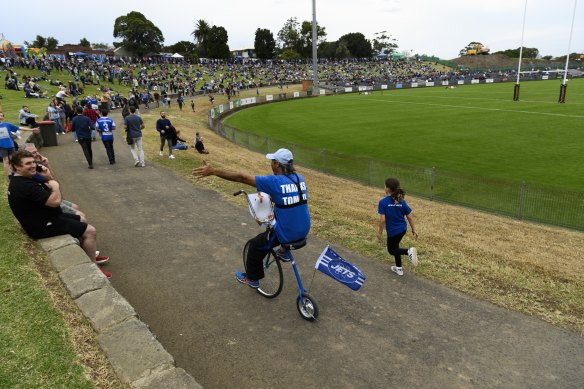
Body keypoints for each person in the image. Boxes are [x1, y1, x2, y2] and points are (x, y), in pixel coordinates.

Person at [192, 148, 310, 288]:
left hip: (288, 234)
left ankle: (252, 278)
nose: (271, 164)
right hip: (304, 229)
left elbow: (241, 177)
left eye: (272, 161)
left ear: (278, 164)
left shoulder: (274, 182)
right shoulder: (299, 178)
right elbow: (286, 197)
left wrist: (213, 171)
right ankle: (284, 251)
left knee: (254, 246)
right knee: (282, 220)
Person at [7, 150, 111, 278]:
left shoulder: (26, 178)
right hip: (42, 226)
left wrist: (49, 177)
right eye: (28, 163)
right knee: (90, 231)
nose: (33, 165)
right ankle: (94, 269)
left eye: (34, 162)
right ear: (17, 166)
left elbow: (51, 188)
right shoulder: (24, 185)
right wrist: (55, 186)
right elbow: (55, 201)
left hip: (48, 217)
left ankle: (88, 253)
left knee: (82, 220)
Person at [377, 177, 418, 276]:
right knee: (396, 247)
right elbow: (410, 217)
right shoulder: (402, 201)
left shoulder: (383, 202)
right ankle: (399, 268)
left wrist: (379, 233)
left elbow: (382, 220)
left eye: (384, 185)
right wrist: (414, 230)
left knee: (392, 250)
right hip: (403, 229)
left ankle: (408, 251)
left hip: (393, 231)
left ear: (387, 189)